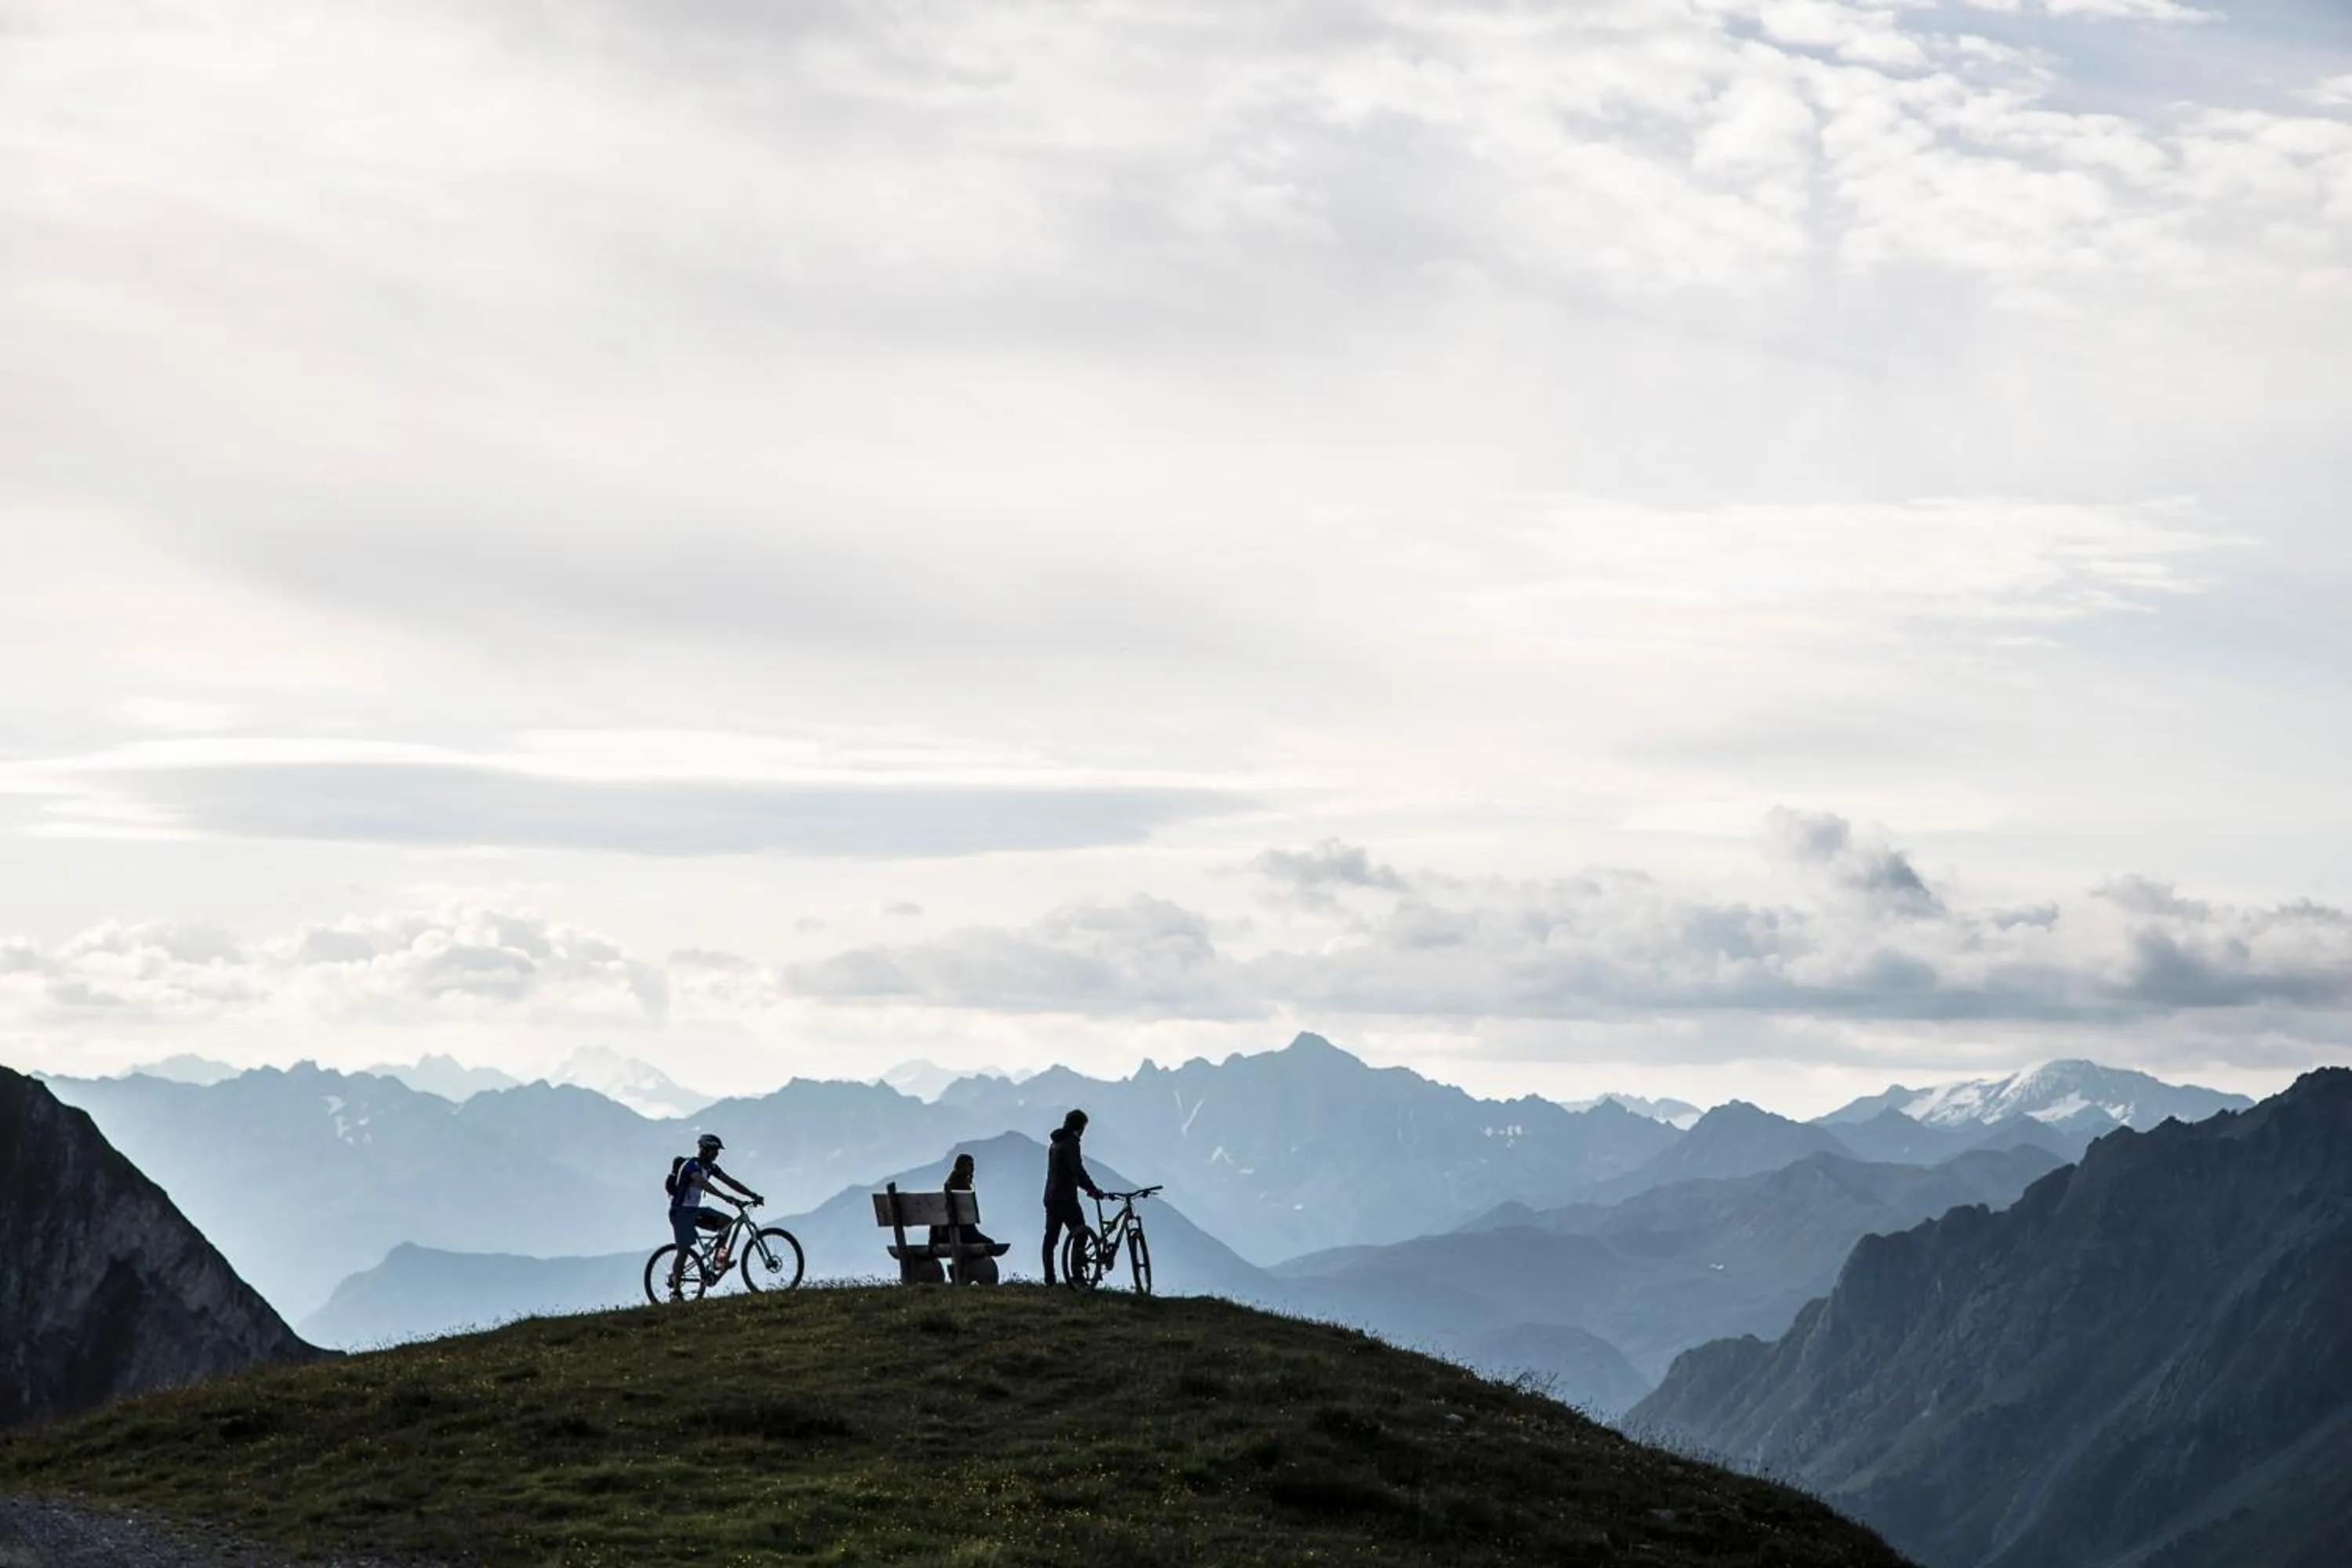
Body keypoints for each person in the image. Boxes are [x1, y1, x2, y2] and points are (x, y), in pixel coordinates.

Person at [668, 1131, 763, 1298]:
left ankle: (718, 1261)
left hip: (694, 1211)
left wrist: (752, 1195)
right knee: (684, 1250)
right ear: (705, 1150)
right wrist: (725, 1198)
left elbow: (730, 1182)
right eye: (715, 1151)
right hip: (681, 1212)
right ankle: (676, 1290)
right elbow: (702, 1183)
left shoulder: (710, 1167)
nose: (717, 1154)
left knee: (726, 1222)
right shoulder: (692, 1166)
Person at [1041, 1109, 1105, 1286]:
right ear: (1081, 1127)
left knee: (1050, 1239)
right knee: (1081, 1233)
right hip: (1066, 1198)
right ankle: (1077, 1276)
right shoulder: (1071, 1143)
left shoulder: (1056, 1142)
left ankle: (1050, 1279)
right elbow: (1077, 1170)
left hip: (1051, 1196)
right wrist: (1092, 1189)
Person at [933, 1152, 1002, 1284]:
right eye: (971, 1166)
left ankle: (960, 1270)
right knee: (990, 1243)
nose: (972, 1170)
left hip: (942, 1236)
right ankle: (968, 1271)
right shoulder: (962, 1186)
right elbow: (969, 1226)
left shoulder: (948, 1185)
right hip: (961, 1235)